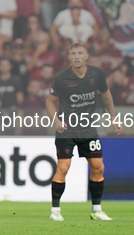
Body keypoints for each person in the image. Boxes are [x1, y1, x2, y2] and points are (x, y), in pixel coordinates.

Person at [45, 42, 121, 222]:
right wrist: (56, 121)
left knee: (98, 167)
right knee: (63, 167)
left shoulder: (96, 74)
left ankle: (96, 210)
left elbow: (106, 94)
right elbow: (49, 102)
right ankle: (55, 211)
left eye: (80, 53)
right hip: (67, 130)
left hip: (88, 129)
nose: (77, 56)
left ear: (86, 56)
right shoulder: (62, 78)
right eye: (73, 53)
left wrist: (113, 117)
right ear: (69, 57)